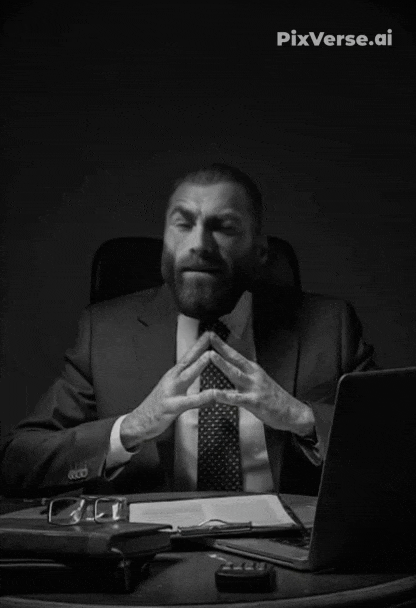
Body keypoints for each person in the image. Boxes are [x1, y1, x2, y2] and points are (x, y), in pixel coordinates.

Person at [0, 164, 376, 497]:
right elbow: (16, 460)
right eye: (183, 224)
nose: (199, 245)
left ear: (260, 251)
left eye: (224, 227)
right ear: (165, 241)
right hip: (153, 547)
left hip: (284, 545)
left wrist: (302, 418)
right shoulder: (105, 333)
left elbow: (393, 447)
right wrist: (129, 428)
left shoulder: (330, 327)